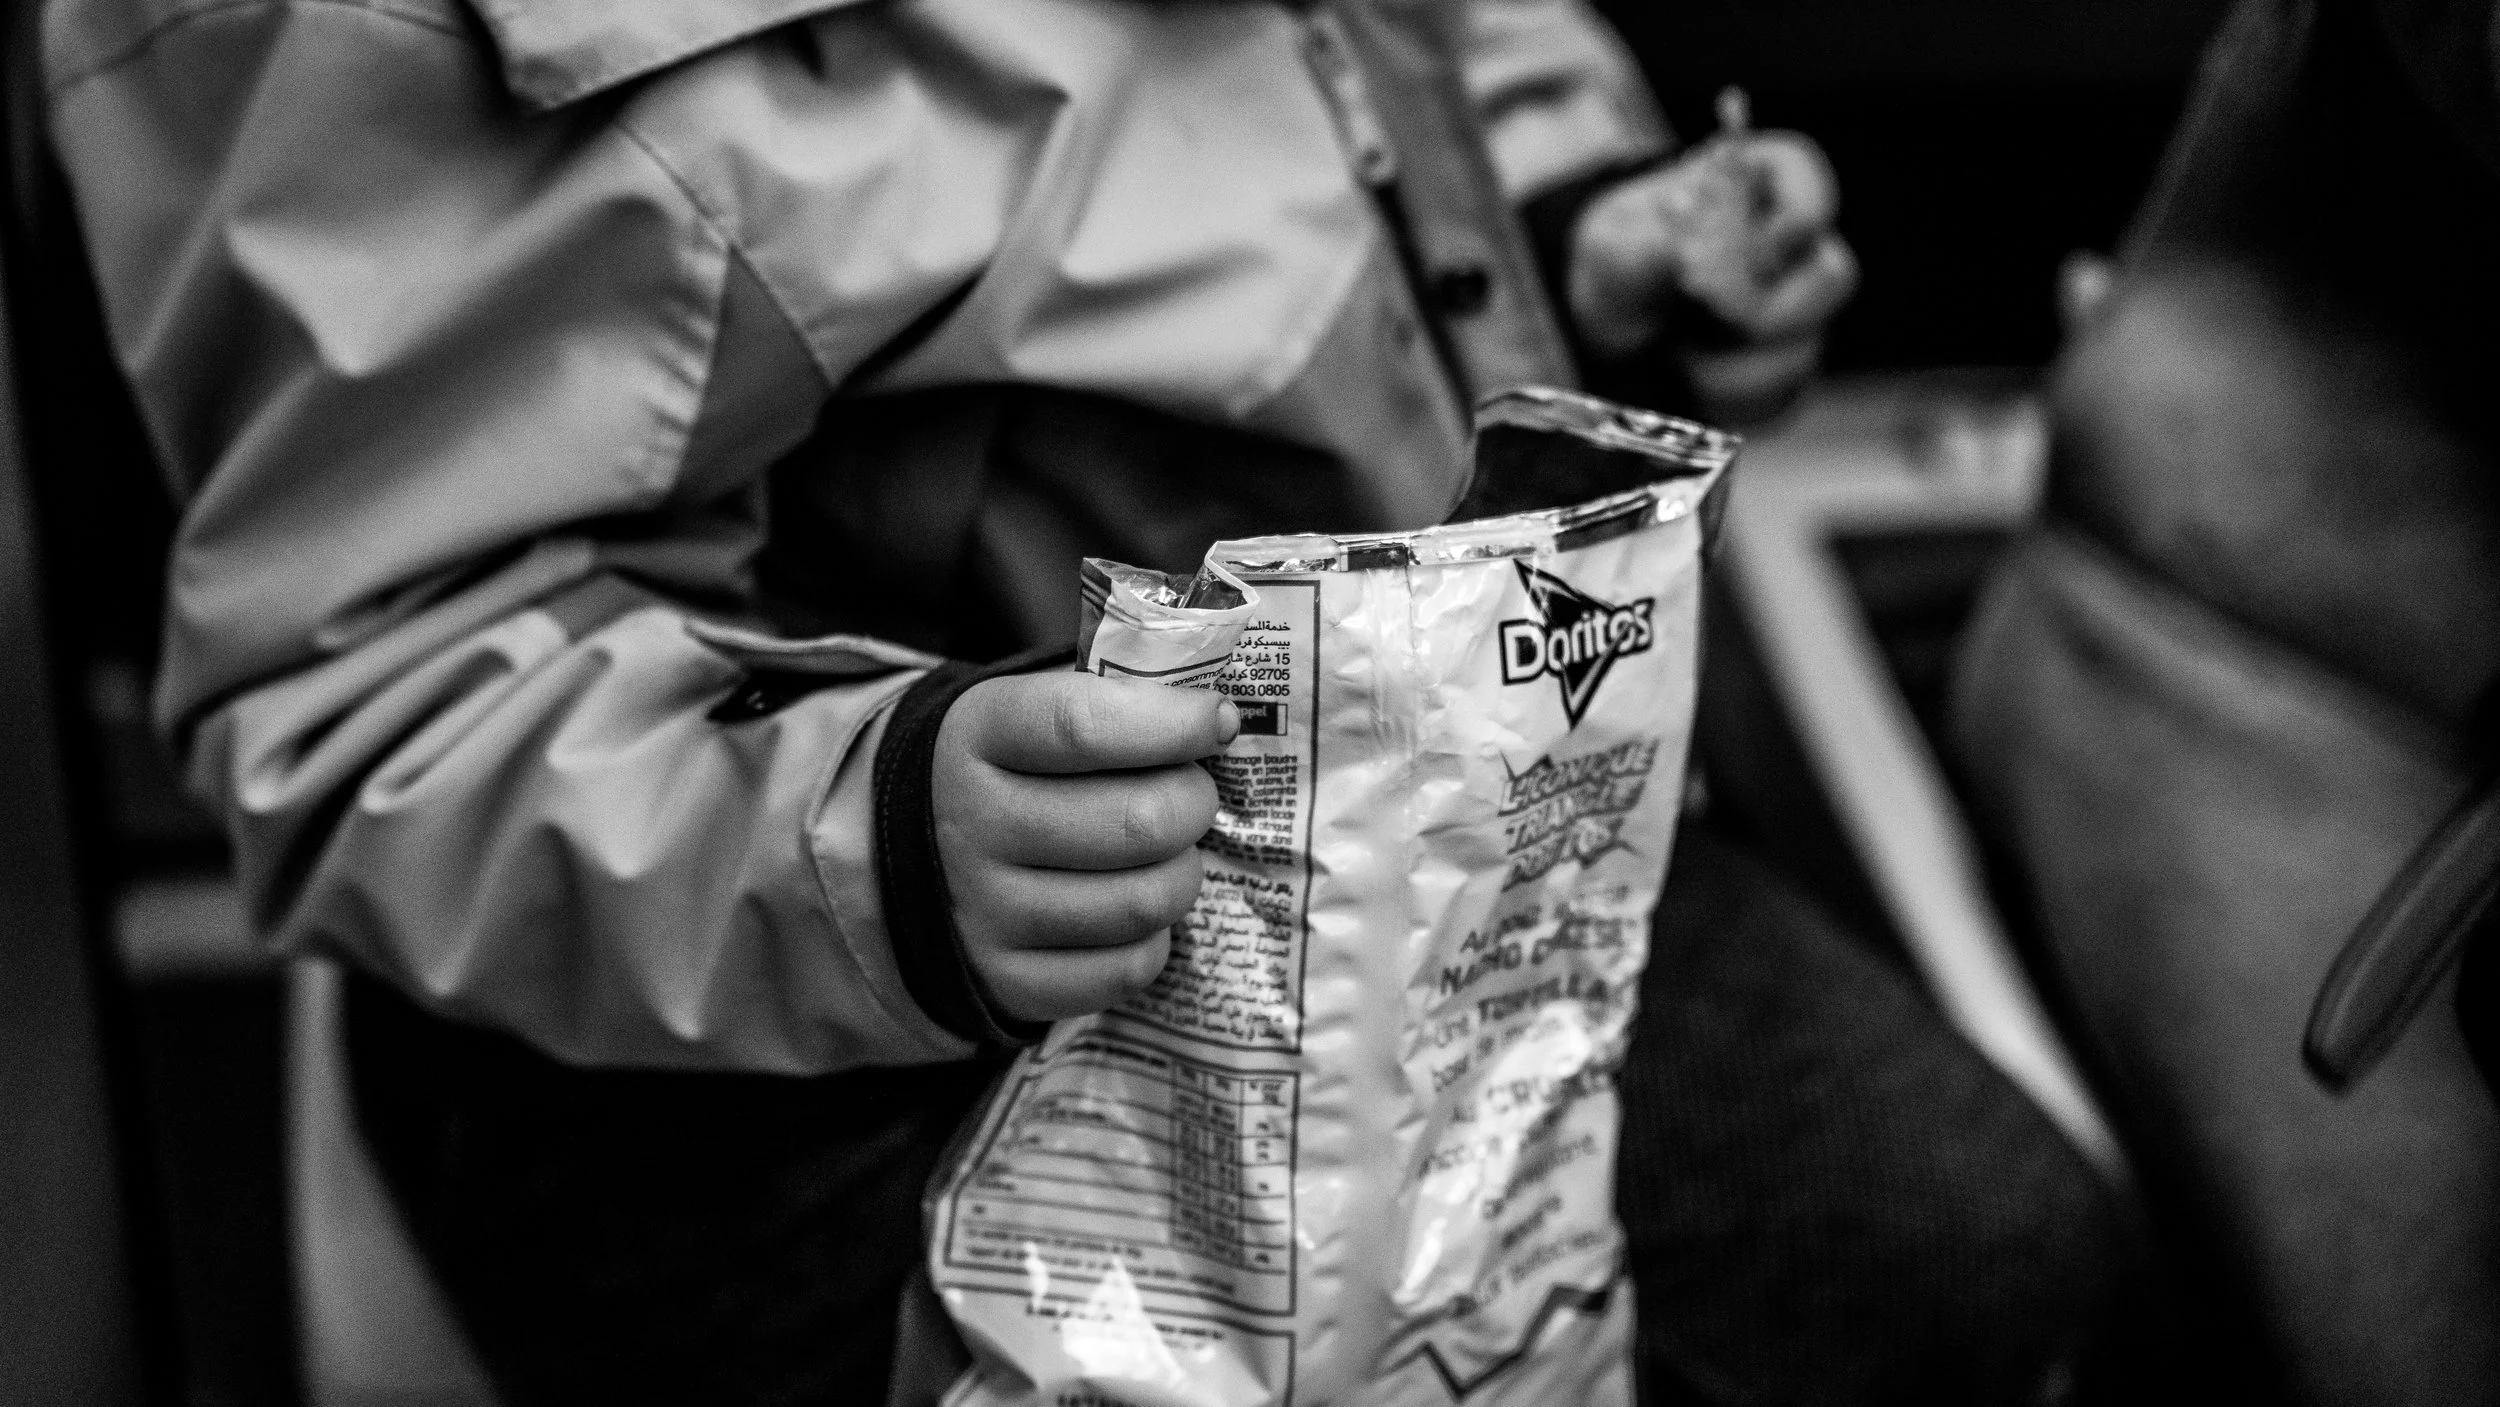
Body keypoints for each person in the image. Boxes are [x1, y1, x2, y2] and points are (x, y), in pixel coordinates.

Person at [47, 0, 2107, 1400]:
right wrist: (879, 839)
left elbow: (1408, 62)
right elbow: (377, 691)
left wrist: (1572, 245)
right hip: (743, 1012)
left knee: (1968, 1267)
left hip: (1399, 812)